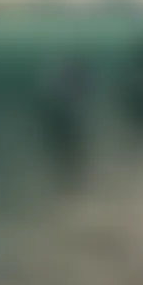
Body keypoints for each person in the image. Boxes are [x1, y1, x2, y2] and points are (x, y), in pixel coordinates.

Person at [38, 56, 92, 191]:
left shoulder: (60, 84)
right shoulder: (69, 84)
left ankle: (70, 181)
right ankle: (71, 180)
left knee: (69, 153)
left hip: (66, 123)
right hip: (66, 123)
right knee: (69, 153)